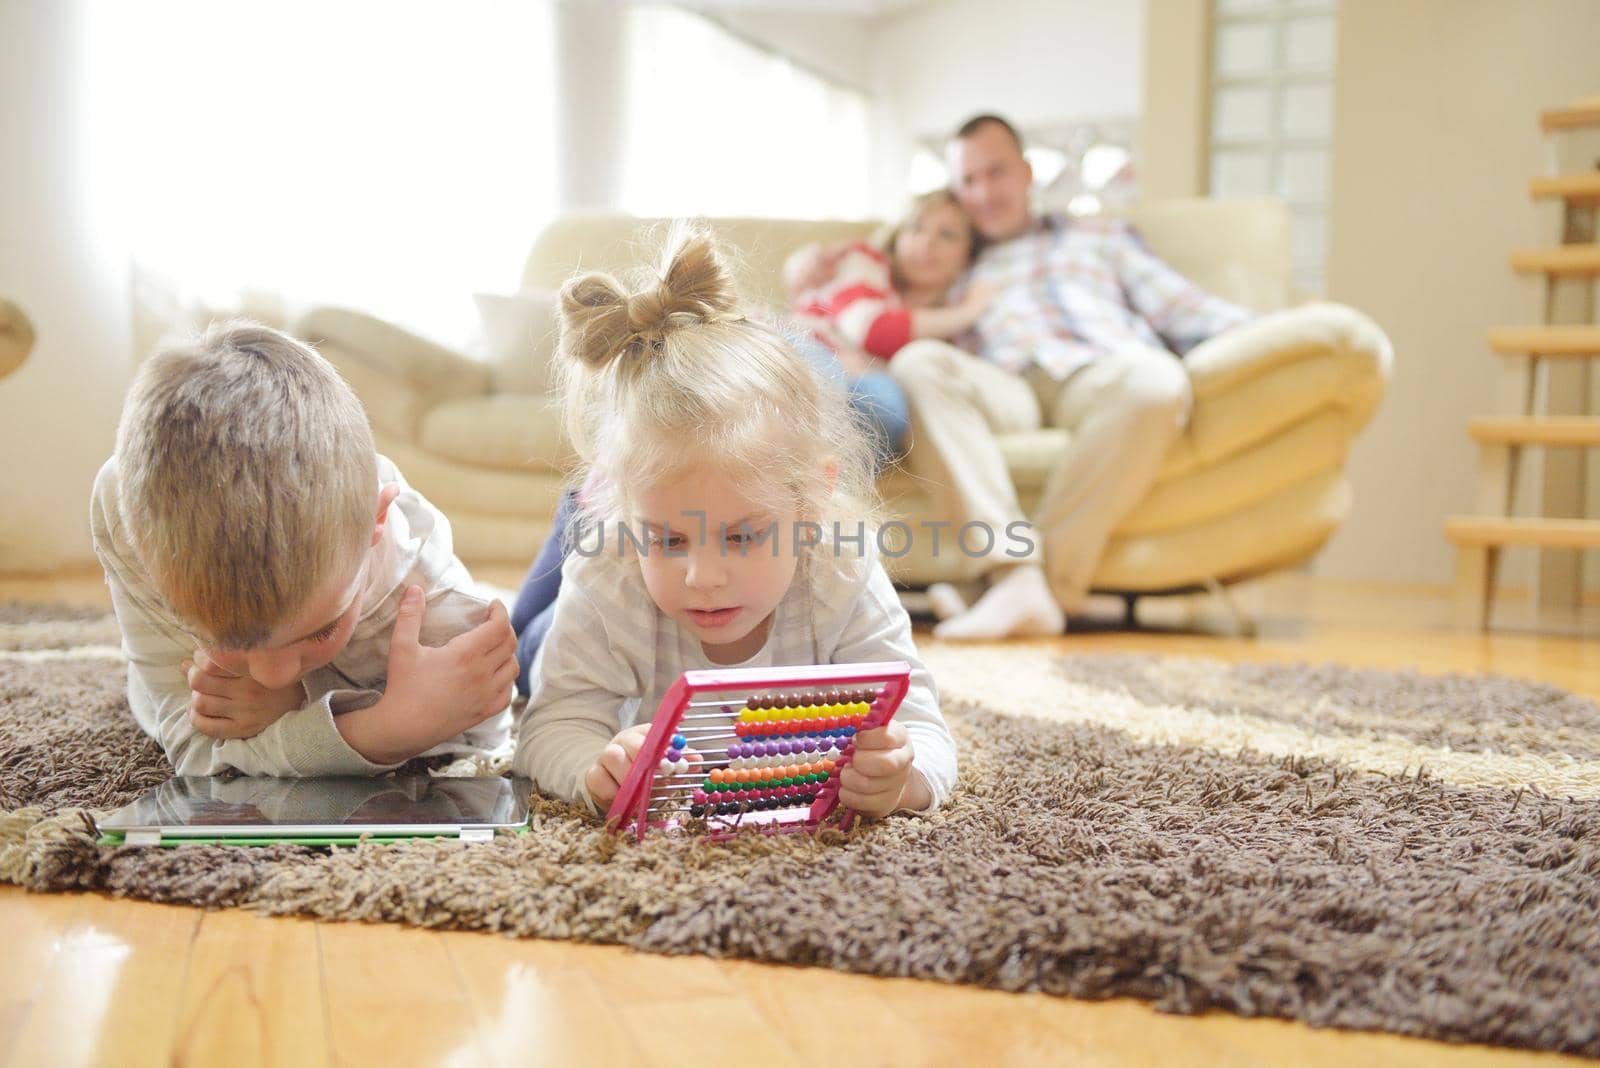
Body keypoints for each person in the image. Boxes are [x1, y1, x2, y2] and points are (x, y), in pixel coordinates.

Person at [512, 228, 957, 818]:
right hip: (594, 566)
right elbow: (547, 730)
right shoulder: (610, 567)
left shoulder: (840, 565)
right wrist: (595, 771)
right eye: (670, 538)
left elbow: (923, 729)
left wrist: (904, 778)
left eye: (744, 535)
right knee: (523, 651)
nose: (703, 576)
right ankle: (584, 507)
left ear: (810, 507)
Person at [91, 321, 518, 776]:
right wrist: (379, 729)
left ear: (377, 519)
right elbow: (195, 750)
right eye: (222, 640)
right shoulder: (131, 512)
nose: (270, 676)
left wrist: (309, 702)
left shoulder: (439, 606)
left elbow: (484, 741)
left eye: (318, 631)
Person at [887, 113, 1255, 640]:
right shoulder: (951, 257)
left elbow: (1187, 309)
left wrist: (1281, 329)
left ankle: (1030, 588)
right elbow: (877, 288)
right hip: (1003, 385)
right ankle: (1011, 572)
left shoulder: (1099, 236)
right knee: (917, 362)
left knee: (1157, 382)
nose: (984, 192)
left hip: (1098, 369)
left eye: (997, 173)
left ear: (1027, 173)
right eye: (968, 181)